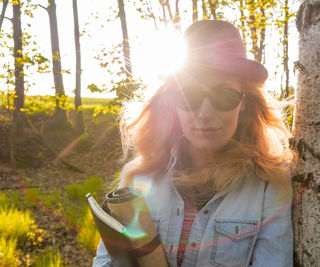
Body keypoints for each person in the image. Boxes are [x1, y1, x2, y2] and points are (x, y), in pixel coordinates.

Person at [93, 20, 294, 267]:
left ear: (243, 102)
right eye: (190, 95)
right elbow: (106, 261)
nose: (205, 113)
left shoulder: (270, 184)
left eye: (224, 95)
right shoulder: (139, 178)